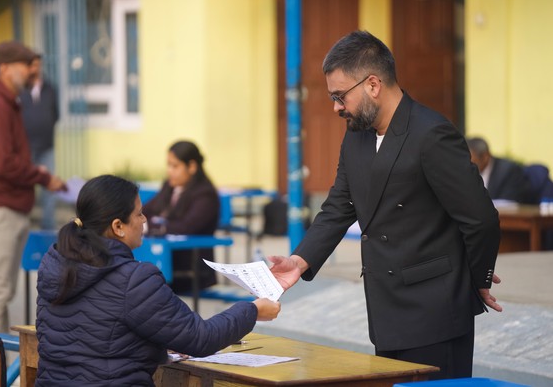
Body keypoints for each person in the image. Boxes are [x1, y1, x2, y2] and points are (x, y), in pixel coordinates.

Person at [268, 30, 502, 380]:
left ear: (373, 84)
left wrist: (476, 277)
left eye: (339, 96)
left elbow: (480, 218)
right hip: (385, 311)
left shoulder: (431, 133)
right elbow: (338, 206)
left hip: (436, 311)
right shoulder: (356, 135)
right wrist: (299, 261)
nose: (335, 108)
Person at [35, 174, 280, 385]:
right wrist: (252, 310)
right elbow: (201, 338)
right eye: (139, 214)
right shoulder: (134, 279)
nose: (144, 221)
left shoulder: (56, 265)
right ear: (118, 226)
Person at [0, 41, 66, 333]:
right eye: (26, 65)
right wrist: (41, 176)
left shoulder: (6, 102)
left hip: (4, 208)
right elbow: (3, 163)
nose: (31, 72)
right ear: (5, 68)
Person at [143, 140, 220, 293]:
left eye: (175, 166)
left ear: (191, 166)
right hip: (168, 264)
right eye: (168, 165)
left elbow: (186, 227)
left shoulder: (205, 194)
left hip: (191, 271)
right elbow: (145, 210)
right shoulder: (170, 186)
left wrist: (149, 226)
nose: (169, 171)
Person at [19, 55, 60, 230]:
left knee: (49, 188)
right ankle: (23, 225)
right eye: (32, 65)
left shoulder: (50, 88)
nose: (36, 69)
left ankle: (48, 226)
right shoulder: (20, 90)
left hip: (46, 146)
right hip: (26, 148)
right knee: (24, 186)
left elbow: (56, 114)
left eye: (38, 65)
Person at [467, 136, 533, 204]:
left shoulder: (510, 171)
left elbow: (510, 202)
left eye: (471, 161)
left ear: (485, 157)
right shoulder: (466, 173)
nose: (467, 165)